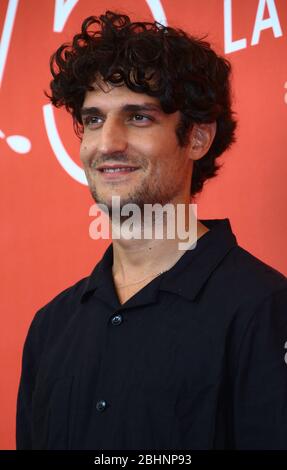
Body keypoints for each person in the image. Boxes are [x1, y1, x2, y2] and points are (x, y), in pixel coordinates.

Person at [16, 11, 287, 450]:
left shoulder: (265, 309)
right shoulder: (51, 326)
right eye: (94, 120)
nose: (107, 144)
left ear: (197, 138)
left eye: (138, 117)